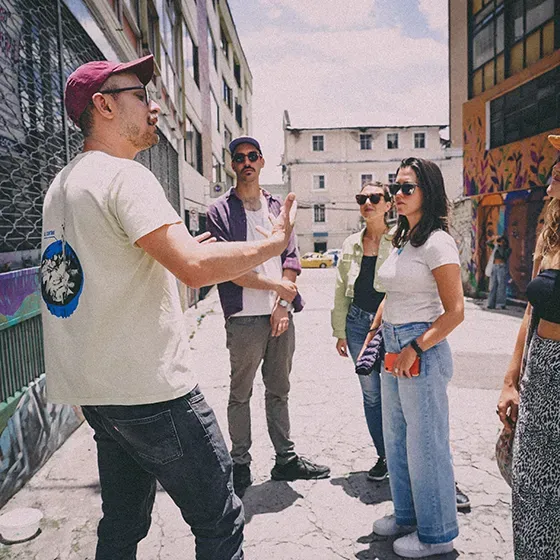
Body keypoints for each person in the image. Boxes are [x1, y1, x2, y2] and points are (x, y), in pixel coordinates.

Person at [41, 56, 297, 560]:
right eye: (139, 94)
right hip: (151, 392)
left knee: (122, 526)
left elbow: (84, 277)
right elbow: (195, 268)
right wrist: (274, 245)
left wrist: (179, 255)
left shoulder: (63, 185)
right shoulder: (126, 177)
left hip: (98, 395)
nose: (154, 105)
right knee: (220, 520)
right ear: (104, 105)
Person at [207, 136, 330, 497]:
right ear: (232, 165)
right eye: (239, 157)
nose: (246, 162)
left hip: (279, 315)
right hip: (243, 316)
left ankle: (285, 459)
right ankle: (240, 464)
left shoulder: (277, 207)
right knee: (240, 394)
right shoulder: (219, 211)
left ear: (262, 163)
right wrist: (278, 290)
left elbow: (291, 258)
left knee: (279, 390)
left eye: (253, 156)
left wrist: (283, 305)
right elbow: (229, 267)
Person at [365, 158, 464, 558]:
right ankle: (407, 516)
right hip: (392, 345)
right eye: (396, 187)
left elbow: (455, 311)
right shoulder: (402, 237)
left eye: (407, 187)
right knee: (398, 440)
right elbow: (392, 295)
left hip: (419, 346)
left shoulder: (438, 241)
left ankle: (437, 535)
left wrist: (415, 347)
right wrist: (374, 336)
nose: (397, 195)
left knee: (426, 444)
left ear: (429, 191)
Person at [497, 134, 560, 559]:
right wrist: (510, 380)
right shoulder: (550, 235)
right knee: (532, 491)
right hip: (540, 373)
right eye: (553, 173)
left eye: (559, 174)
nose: (551, 184)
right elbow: (530, 313)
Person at [331, 181, 393, 481]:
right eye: (362, 198)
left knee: (395, 393)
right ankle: (384, 456)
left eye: (374, 197)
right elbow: (342, 290)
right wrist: (340, 331)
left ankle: (401, 455)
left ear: (388, 205)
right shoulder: (350, 243)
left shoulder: (400, 240)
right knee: (371, 395)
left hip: (391, 326)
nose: (367, 202)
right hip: (357, 325)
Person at [487, 234, 511, 309]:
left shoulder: (508, 249)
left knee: (501, 286)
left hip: (501, 267)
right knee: (493, 285)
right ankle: (491, 303)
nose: (501, 242)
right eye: (500, 241)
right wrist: (493, 239)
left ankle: (500, 304)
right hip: (494, 267)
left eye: (502, 241)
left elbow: (503, 255)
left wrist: (500, 247)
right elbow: (488, 243)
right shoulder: (496, 247)